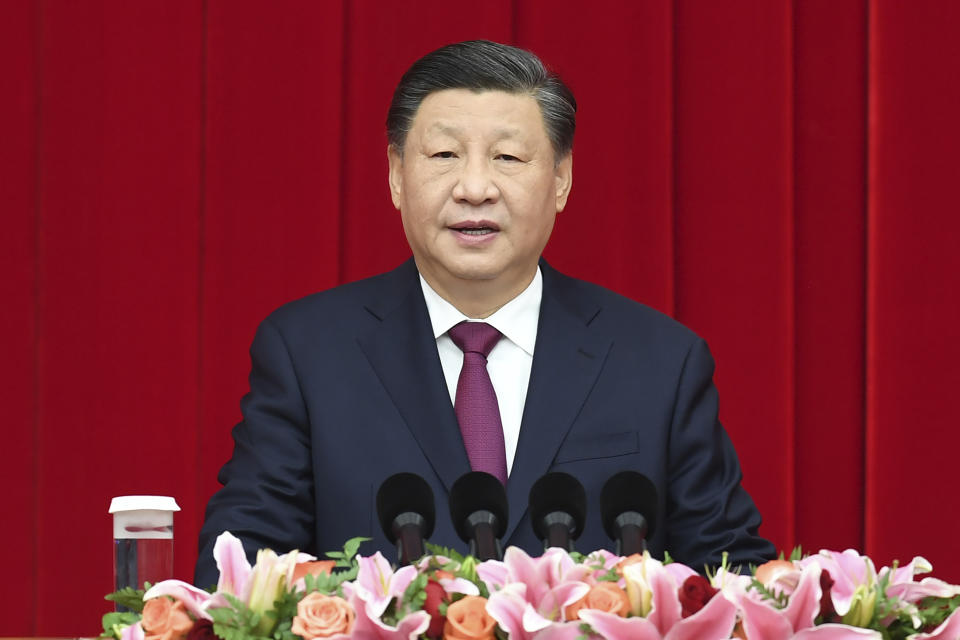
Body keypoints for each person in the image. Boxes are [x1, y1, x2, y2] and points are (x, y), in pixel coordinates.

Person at [195, 40, 774, 586]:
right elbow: (239, 568)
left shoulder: (659, 361)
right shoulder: (308, 353)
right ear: (397, 173)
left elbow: (733, 575)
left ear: (562, 178)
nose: (475, 187)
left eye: (508, 157)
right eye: (444, 154)